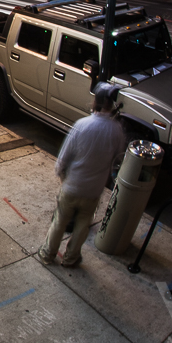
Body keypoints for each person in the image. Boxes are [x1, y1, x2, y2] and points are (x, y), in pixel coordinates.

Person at [37, 81, 127, 267]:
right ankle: (70, 258)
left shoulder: (82, 125)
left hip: (72, 186)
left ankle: (48, 254)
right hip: (93, 191)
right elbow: (118, 159)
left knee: (60, 222)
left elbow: (62, 160)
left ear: (96, 102)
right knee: (82, 225)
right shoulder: (116, 130)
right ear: (111, 105)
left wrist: (63, 178)